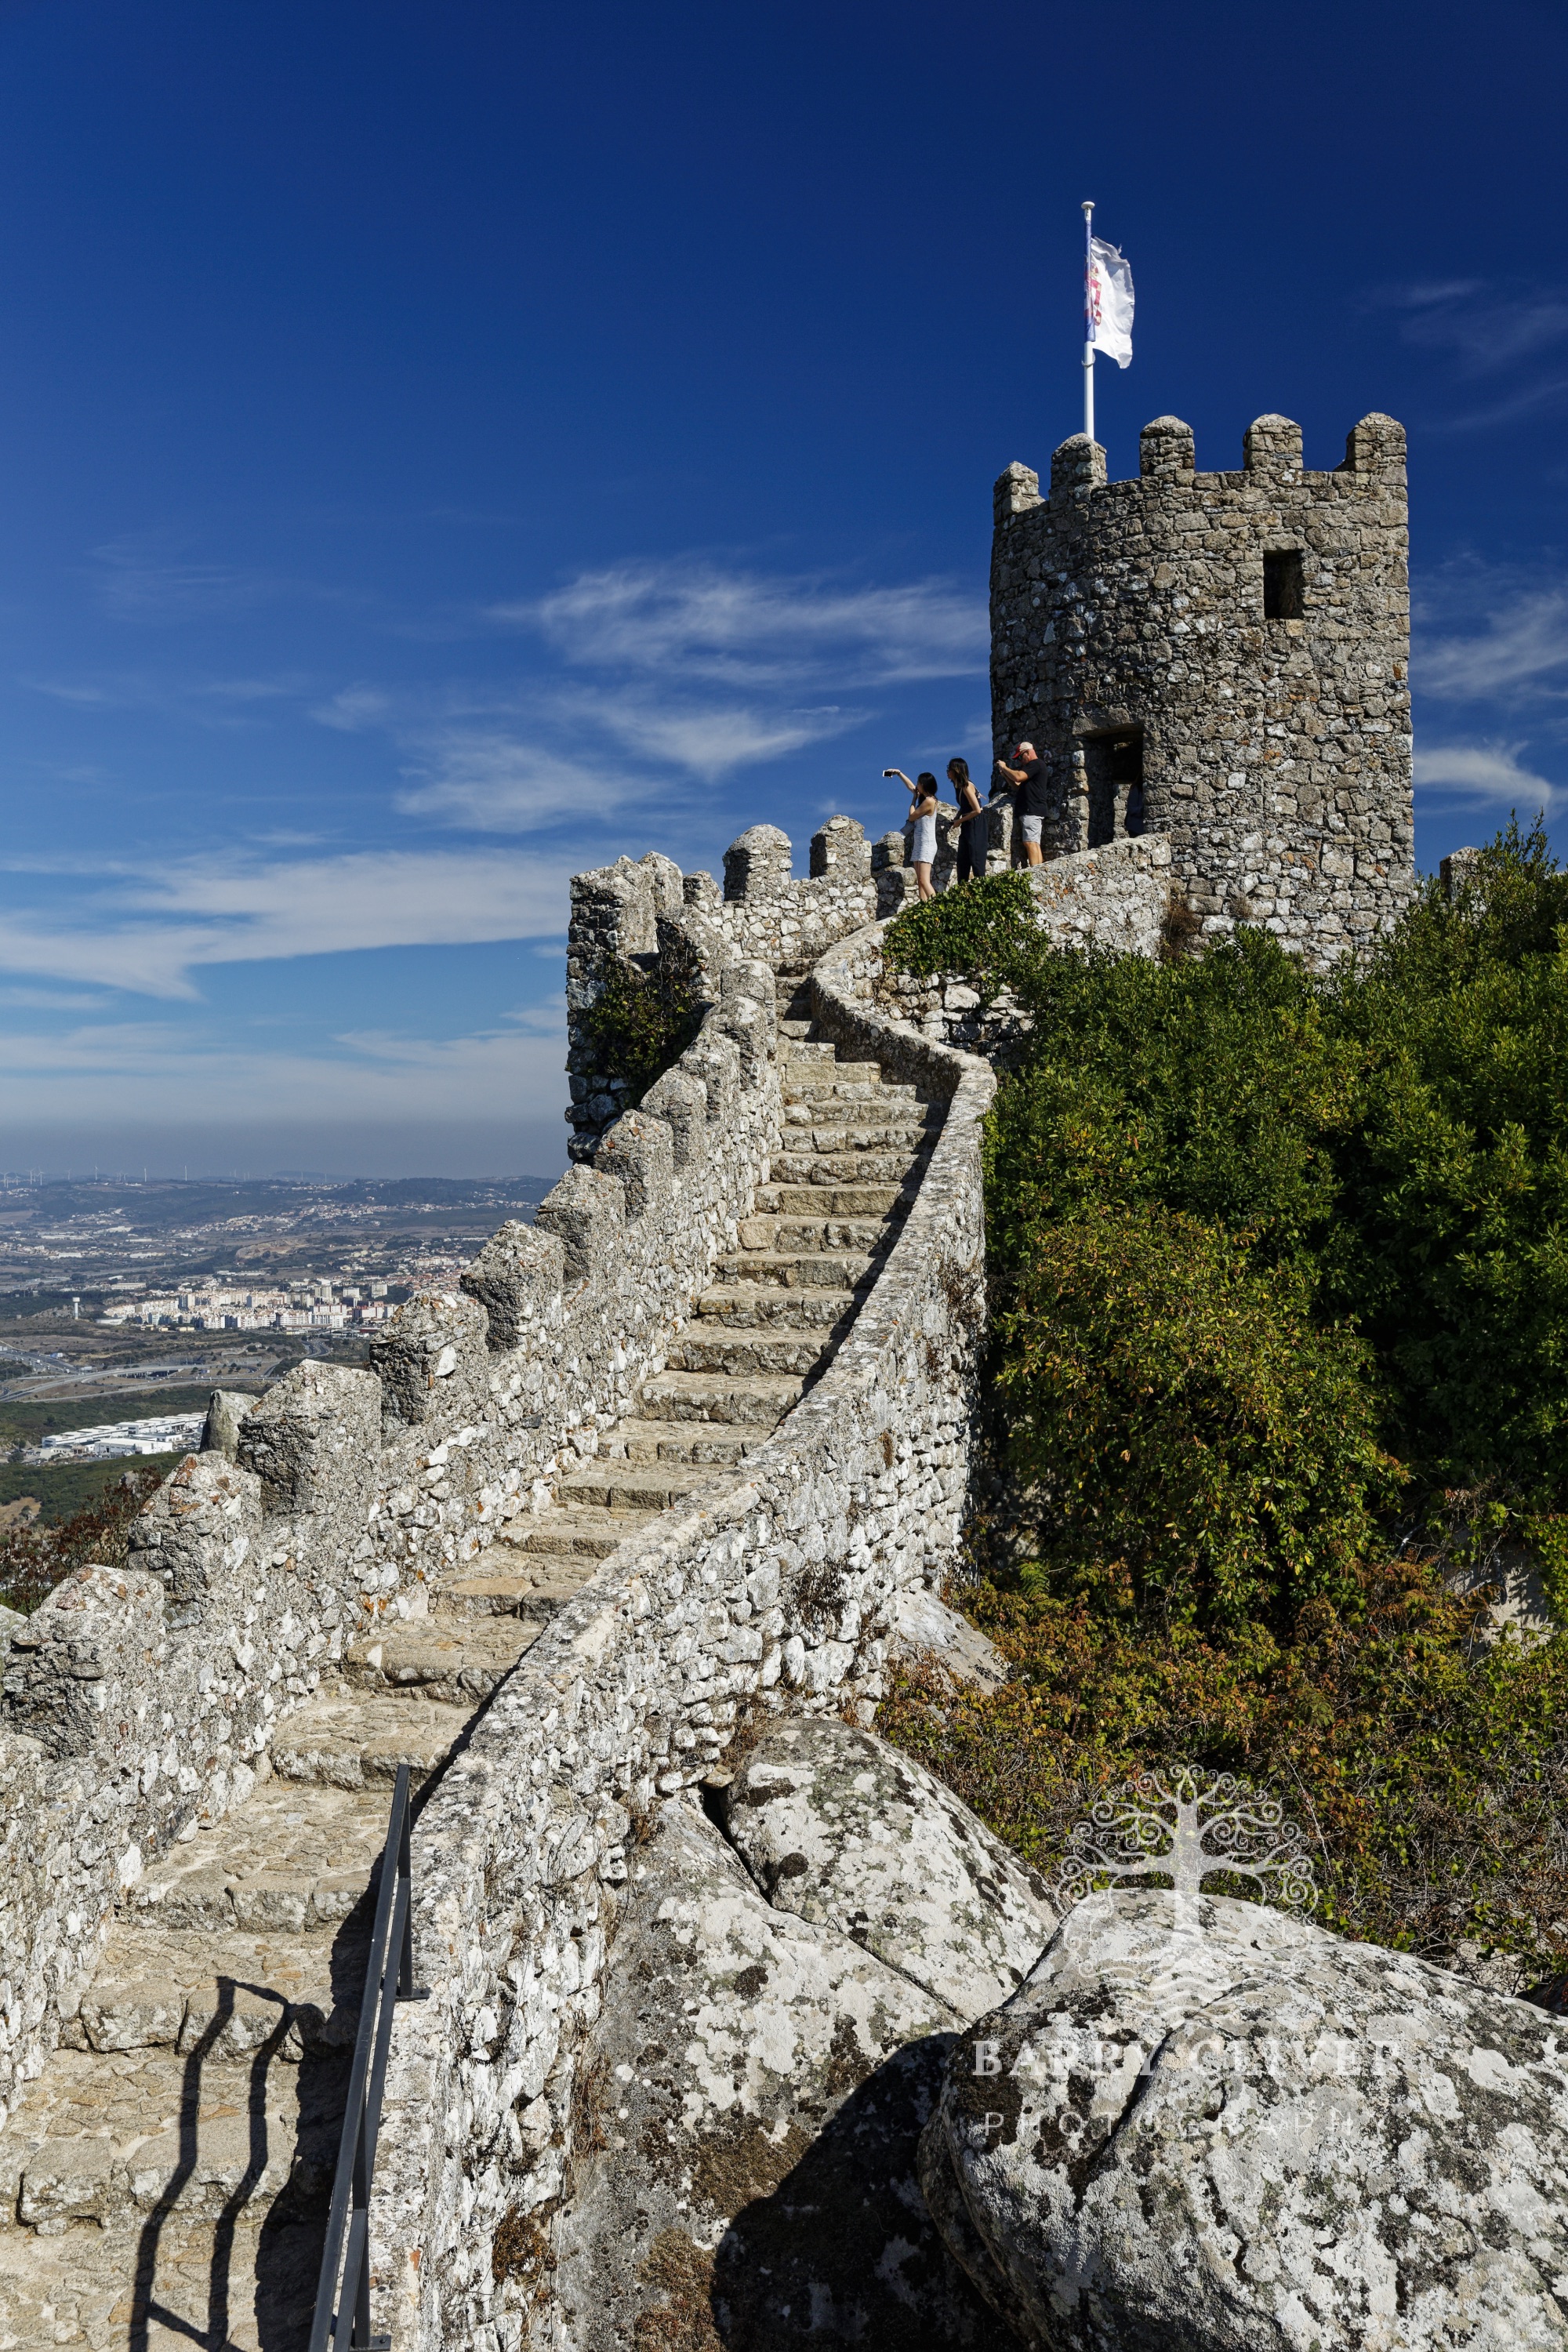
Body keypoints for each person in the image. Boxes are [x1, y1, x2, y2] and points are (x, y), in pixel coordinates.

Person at [884, 766, 939, 901]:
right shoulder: (926, 797)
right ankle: (924, 908)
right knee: (920, 881)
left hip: (927, 844)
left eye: (919, 783)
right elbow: (911, 787)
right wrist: (899, 773)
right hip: (920, 843)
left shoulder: (929, 801)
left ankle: (938, 908)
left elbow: (912, 817)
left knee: (924, 879)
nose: (917, 786)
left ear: (924, 785)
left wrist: (914, 800)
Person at [993, 740, 1051, 866]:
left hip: (1032, 808)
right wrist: (1006, 775)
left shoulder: (1035, 764)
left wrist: (1004, 767)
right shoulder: (1033, 768)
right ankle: (1038, 869)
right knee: (1033, 842)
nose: (1020, 761)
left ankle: (1035, 872)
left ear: (1028, 753)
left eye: (1020, 757)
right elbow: (1017, 786)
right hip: (1032, 809)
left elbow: (1018, 777)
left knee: (1030, 842)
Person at [949, 756, 986, 885]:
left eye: (949, 769)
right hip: (968, 822)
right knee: (963, 860)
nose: (947, 772)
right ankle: (962, 890)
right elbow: (965, 806)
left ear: (956, 770)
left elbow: (977, 810)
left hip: (975, 823)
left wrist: (959, 821)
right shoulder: (958, 787)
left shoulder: (966, 786)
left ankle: (982, 889)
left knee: (976, 859)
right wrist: (958, 816)